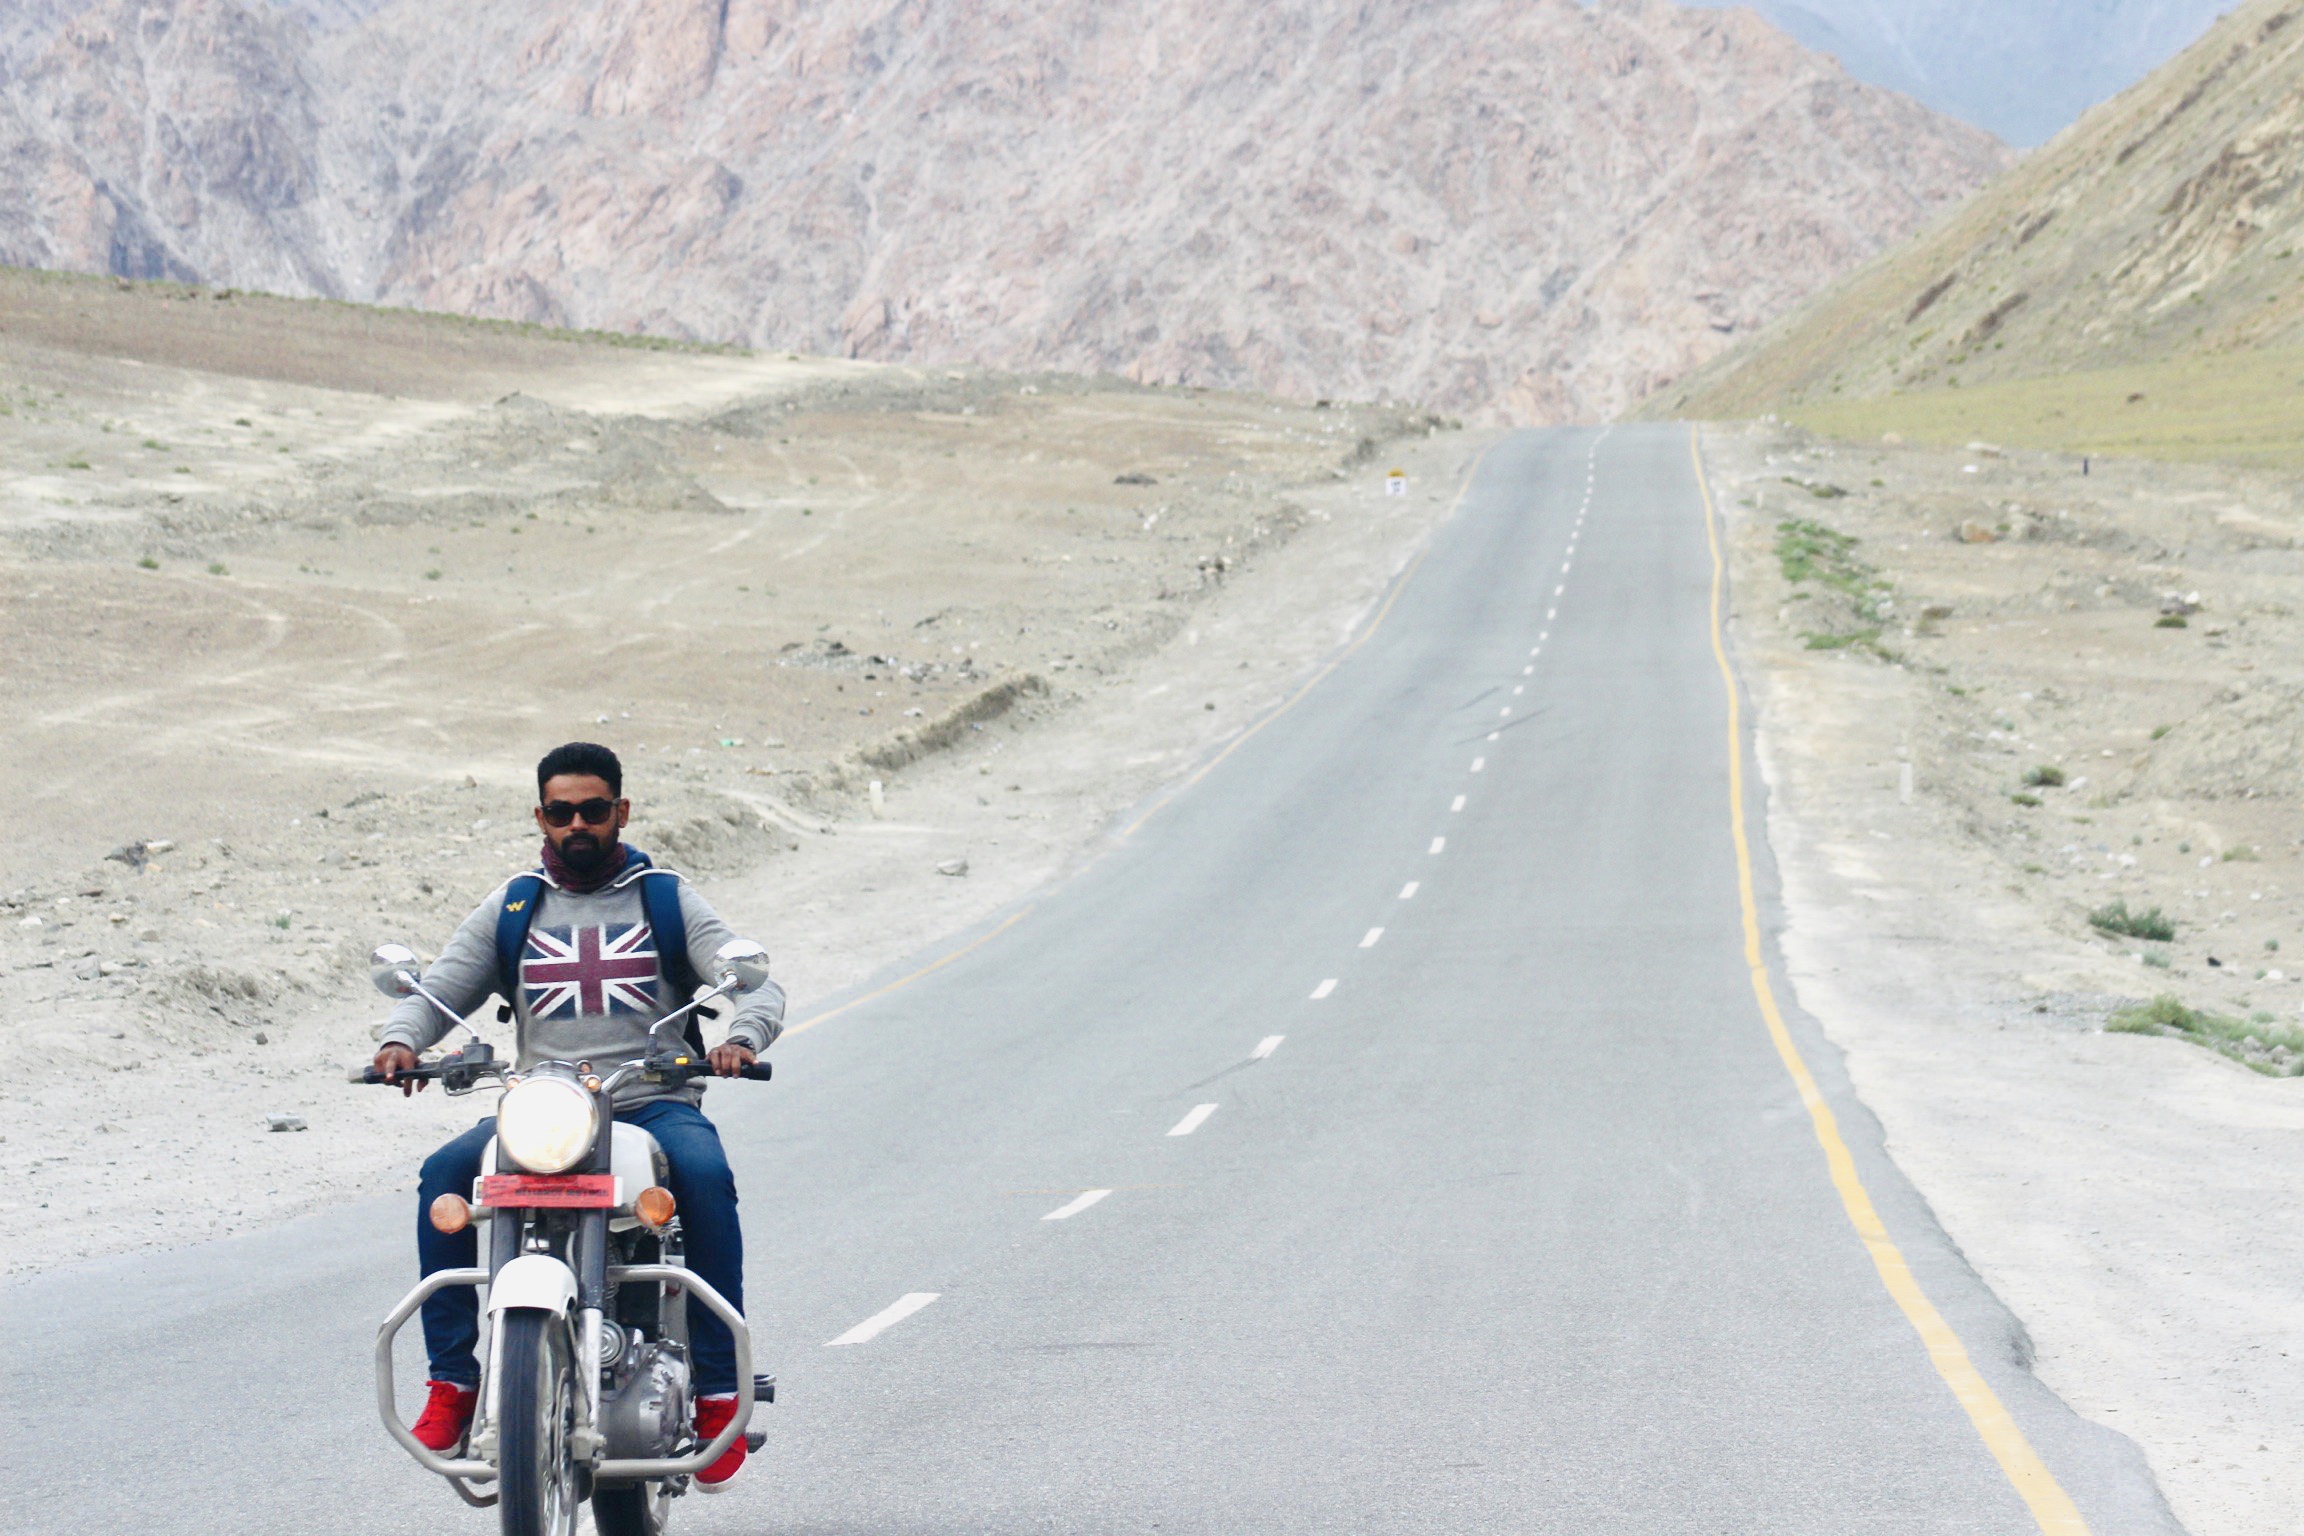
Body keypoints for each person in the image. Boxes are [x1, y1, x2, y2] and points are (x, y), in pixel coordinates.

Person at [372, 741, 782, 1488]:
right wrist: (402, 1042)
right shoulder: (515, 905)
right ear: (541, 816)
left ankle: (721, 1394)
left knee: (704, 1172)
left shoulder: (664, 897)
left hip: (650, 1102)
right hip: (546, 1107)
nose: (578, 824)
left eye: (594, 809)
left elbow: (755, 983)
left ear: (621, 812)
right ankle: (454, 1383)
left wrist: (740, 1038)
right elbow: (438, 988)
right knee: (443, 1174)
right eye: (561, 812)